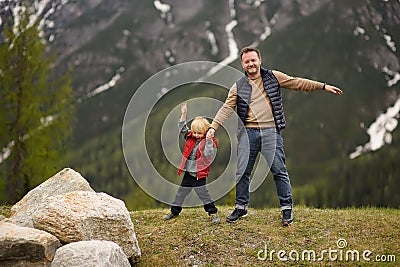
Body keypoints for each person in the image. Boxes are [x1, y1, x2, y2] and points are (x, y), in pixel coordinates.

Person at [206, 46, 343, 226]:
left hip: (271, 131)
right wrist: (213, 127)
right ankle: (241, 207)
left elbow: (297, 83)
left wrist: (323, 86)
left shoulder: (273, 77)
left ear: (259, 60)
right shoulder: (238, 86)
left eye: (253, 60)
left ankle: (287, 210)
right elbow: (227, 108)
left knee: (278, 170)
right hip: (248, 133)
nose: (251, 64)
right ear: (243, 64)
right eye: (247, 61)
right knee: (242, 172)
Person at [164, 102, 220, 223]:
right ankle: (174, 212)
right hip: (189, 173)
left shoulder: (210, 142)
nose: (196, 135)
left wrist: (209, 141)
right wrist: (183, 115)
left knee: (204, 195)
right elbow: (183, 129)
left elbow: (208, 154)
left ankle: (213, 213)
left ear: (205, 132)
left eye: (199, 133)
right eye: (194, 132)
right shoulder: (191, 137)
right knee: (180, 193)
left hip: (199, 175)